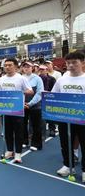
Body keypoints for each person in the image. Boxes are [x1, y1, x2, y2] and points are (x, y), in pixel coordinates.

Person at [0, 58, 33, 163]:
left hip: (17, 110)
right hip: (6, 109)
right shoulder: (1, 79)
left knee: (18, 132)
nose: (7, 67)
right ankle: (10, 150)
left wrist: (21, 94)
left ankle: (18, 153)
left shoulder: (21, 78)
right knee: (7, 131)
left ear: (15, 66)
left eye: (10, 65)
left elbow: (30, 91)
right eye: (5, 65)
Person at [52, 51, 85, 182]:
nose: (71, 65)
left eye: (74, 62)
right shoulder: (61, 80)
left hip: (82, 118)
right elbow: (54, 95)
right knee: (65, 143)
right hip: (64, 119)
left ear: (83, 63)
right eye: (68, 63)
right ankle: (68, 165)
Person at [21, 62, 44, 151]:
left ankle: (36, 144)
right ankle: (24, 141)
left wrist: (30, 103)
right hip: (23, 105)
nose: (26, 68)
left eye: (28, 67)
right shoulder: (20, 78)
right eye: (24, 67)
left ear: (32, 68)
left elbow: (39, 93)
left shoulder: (37, 78)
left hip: (35, 106)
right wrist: (23, 103)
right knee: (22, 124)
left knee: (36, 125)